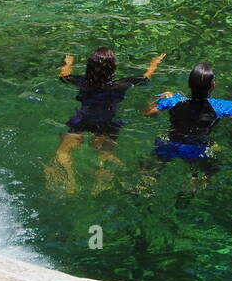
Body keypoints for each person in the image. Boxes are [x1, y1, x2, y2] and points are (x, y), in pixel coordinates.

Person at [46, 48, 166, 193]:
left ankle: (69, 182)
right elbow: (146, 77)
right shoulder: (121, 84)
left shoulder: (82, 82)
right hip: (107, 123)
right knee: (104, 156)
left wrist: (68, 62)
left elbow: (64, 76)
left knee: (63, 152)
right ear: (113, 68)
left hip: (82, 119)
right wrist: (154, 63)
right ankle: (99, 186)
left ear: (89, 67)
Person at [142, 62, 232, 193]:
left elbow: (147, 113)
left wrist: (162, 99)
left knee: (153, 169)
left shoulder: (173, 100)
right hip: (195, 150)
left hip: (168, 144)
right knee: (213, 159)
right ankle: (193, 185)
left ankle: (144, 185)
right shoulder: (223, 106)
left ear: (189, 84)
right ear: (213, 86)